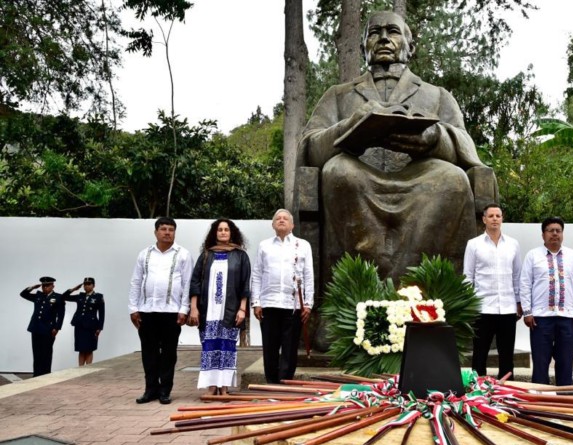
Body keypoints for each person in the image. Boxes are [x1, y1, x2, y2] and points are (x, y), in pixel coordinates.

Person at [299, 11, 495, 283]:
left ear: (410, 46)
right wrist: (350, 128)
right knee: (338, 172)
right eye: (373, 33)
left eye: (392, 31)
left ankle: (426, 291)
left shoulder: (436, 94)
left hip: (420, 178)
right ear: (362, 47)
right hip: (360, 178)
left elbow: (466, 146)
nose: (382, 39)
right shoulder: (337, 95)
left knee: (453, 179)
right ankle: (355, 290)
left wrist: (435, 138)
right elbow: (309, 147)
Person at [128, 217, 193, 404]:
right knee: (148, 352)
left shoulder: (183, 254)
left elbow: (188, 283)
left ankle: (165, 390)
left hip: (172, 312)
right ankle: (150, 390)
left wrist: (184, 309)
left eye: (171, 229)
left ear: (175, 232)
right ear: (155, 232)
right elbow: (136, 281)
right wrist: (133, 308)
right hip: (147, 311)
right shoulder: (145, 254)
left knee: (168, 353)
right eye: (163, 229)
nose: (167, 232)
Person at [520, 217, 573, 386]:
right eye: (550, 230)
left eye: (558, 231)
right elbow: (524, 284)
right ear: (543, 234)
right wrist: (527, 312)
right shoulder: (533, 256)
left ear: (562, 234)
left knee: (566, 362)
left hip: (567, 318)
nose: (555, 234)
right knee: (541, 363)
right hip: (540, 319)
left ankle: (565, 400)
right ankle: (538, 401)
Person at [251, 209, 314, 384]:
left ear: (292, 225)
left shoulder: (303, 245)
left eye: (285, 218)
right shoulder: (264, 245)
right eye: (277, 218)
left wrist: (308, 304)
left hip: (293, 305)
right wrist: (256, 302)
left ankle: (285, 383)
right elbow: (257, 274)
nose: (281, 220)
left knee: (290, 347)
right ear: (272, 225)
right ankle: (271, 382)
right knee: (270, 347)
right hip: (269, 304)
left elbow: (308, 276)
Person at [189, 219, 251, 395]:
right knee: (209, 346)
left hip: (230, 311)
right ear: (214, 233)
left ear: (232, 233)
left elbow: (245, 285)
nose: (223, 232)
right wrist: (194, 307)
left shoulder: (240, 255)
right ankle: (211, 387)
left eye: (226, 229)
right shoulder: (206, 255)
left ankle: (224, 387)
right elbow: (195, 282)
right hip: (208, 311)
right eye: (220, 230)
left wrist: (242, 309)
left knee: (226, 347)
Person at [463, 204, 522, 379]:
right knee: (480, 354)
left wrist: (519, 302)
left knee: (506, 355)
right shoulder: (474, 245)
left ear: (502, 218)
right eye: (491, 216)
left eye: (498, 215)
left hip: (507, 308)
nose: (495, 219)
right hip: (483, 308)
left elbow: (517, 275)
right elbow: (468, 276)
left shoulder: (513, 244)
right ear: (484, 219)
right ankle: (477, 391)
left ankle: (506, 391)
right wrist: (469, 304)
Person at [20, 276, 65, 377]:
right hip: (35, 328)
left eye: (47, 285)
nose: (45, 288)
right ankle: (36, 375)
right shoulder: (38, 296)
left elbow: (61, 315)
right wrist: (32, 287)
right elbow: (23, 294)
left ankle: (45, 375)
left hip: (48, 330)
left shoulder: (58, 297)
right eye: (43, 286)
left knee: (46, 353)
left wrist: (57, 328)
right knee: (36, 353)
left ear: (53, 285)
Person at [61, 277, 105, 366]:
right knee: (81, 349)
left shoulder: (98, 297)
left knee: (89, 349)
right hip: (79, 325)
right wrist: (73, 289)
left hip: (91, 326)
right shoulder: (80, 296)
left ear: (93, 285)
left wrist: (99, 328)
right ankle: (80, 369)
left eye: (89, 284)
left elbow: (102, 314)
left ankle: (88, 369)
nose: (87, 286)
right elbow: (64, 297)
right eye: (85, 284)